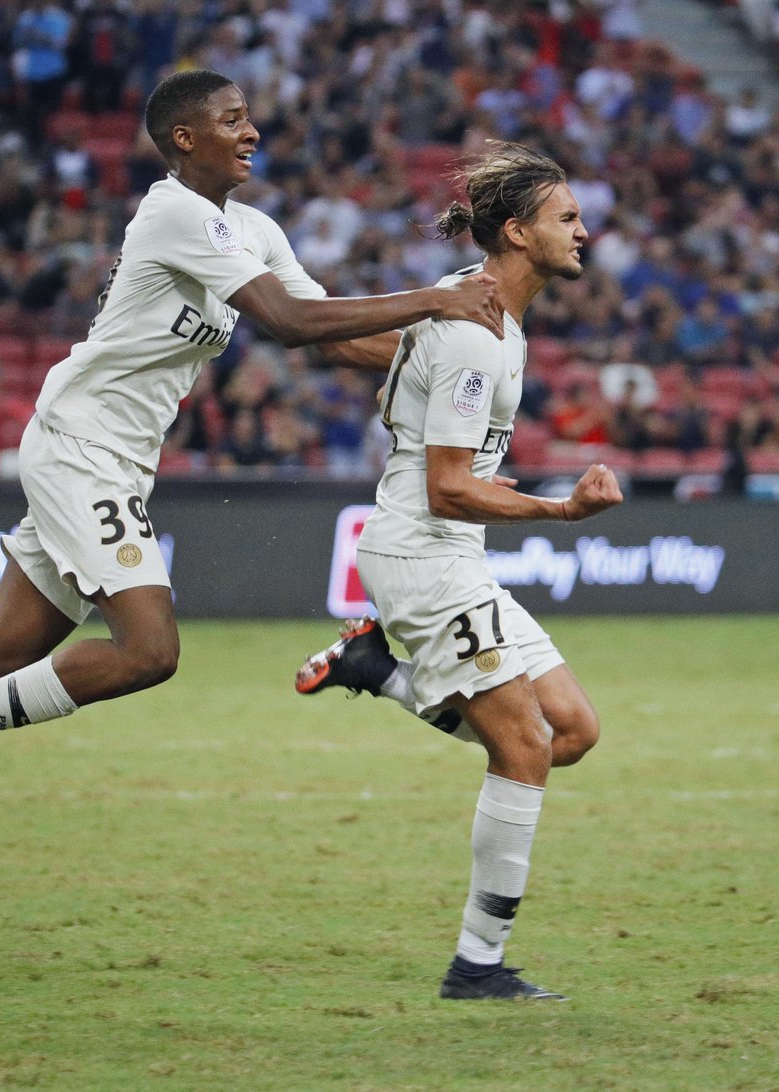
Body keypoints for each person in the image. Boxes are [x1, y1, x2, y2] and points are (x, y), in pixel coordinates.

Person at [0, 69, 503, 836]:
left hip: (109, 458)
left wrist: (449, 368)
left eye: (249, 118)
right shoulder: (173, 215)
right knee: (148, 649)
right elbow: (288, 322)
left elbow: (332, 332)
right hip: (81, 446)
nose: (252, 132)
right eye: (232, 120)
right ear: (185, 139)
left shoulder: (250, 230)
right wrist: (437, 300)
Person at [294, 143, 623, 1001]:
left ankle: (377, 669)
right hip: (425, 556)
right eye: (566, 219)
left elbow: (367, 359)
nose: (585, 231)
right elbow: (446, 490)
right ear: (516, 232)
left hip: (448, 556)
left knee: (571, 733)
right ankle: (478, 967)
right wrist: (562, 513)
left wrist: (406, 374)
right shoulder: (476, 334)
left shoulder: (474, 306)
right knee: (523, 749)